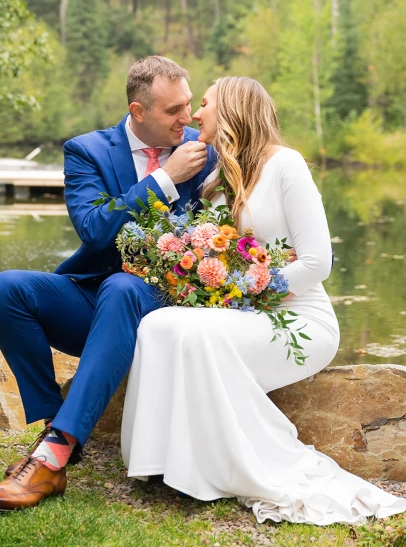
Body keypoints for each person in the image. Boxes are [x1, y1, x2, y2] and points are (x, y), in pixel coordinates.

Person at [121, 76, 406, 525]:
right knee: (159, 325)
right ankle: (163, 465)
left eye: (206, 104)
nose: (196, 115)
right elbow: (214, 251)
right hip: (242, 312)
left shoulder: (286, 165)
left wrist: (252, 289)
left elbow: (316, 263)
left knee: (193, 334)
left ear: (232, 110)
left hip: (297, 320)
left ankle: (227, 469)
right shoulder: (216, 177)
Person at [0, 56, 216, 513]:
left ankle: (51, 456)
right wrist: (165, 179)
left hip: (162, 307)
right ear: (138, 112)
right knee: (5, 288)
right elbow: (96, 231)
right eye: (173, 111)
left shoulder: (205, 155)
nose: (187, 118)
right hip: (93, 300)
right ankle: (56, 430)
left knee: (122, 289)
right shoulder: (87, 151)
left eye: (188, 104)